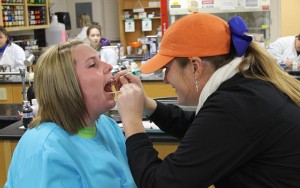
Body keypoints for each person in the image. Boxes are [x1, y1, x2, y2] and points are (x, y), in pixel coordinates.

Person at [115, 13, 300, 187]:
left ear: (195, 66)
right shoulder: (247, 88)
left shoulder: (233, 106)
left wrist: (132, 122)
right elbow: (199, 128)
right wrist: (147, 104)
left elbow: (159, 183)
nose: (165, 79)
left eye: (167, 69)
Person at [5, 41, 136, 188]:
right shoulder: (45, 149)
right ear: (66, 85)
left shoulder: (108, 126)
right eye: (93, 64)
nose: (109, 66)